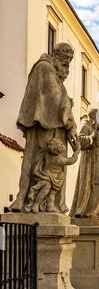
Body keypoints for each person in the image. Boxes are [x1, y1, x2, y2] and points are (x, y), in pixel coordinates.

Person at [10, 43, 78, 214]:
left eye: (70, 60)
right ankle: (29, 201)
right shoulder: (45, 68)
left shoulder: (54, 74)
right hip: (44, 128)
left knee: (51, 170)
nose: (67, 63)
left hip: (54, 128)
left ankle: (48, 204)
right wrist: (70, 123)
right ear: (56, 55)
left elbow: (61, 99)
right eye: (66, 58)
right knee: (38, 164)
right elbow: (55, 98)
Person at [70, 108, 99, 219]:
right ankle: (85, 210)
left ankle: (94, 212)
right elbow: (79, 141)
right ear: (92, 116)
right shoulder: (85, 126)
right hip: (89, 159)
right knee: (87, 183)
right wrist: (92, 137)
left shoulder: (97, 128)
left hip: (98, 159)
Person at [26, 139, 80, 214]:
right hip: (47, 177)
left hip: (54, 178)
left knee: (52, 192)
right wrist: (77, 150)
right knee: (46, 190)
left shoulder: (47, 154)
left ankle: (50, 206)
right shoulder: (60, 159)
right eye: (60, 144)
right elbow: (72, 160)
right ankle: (36, 204)